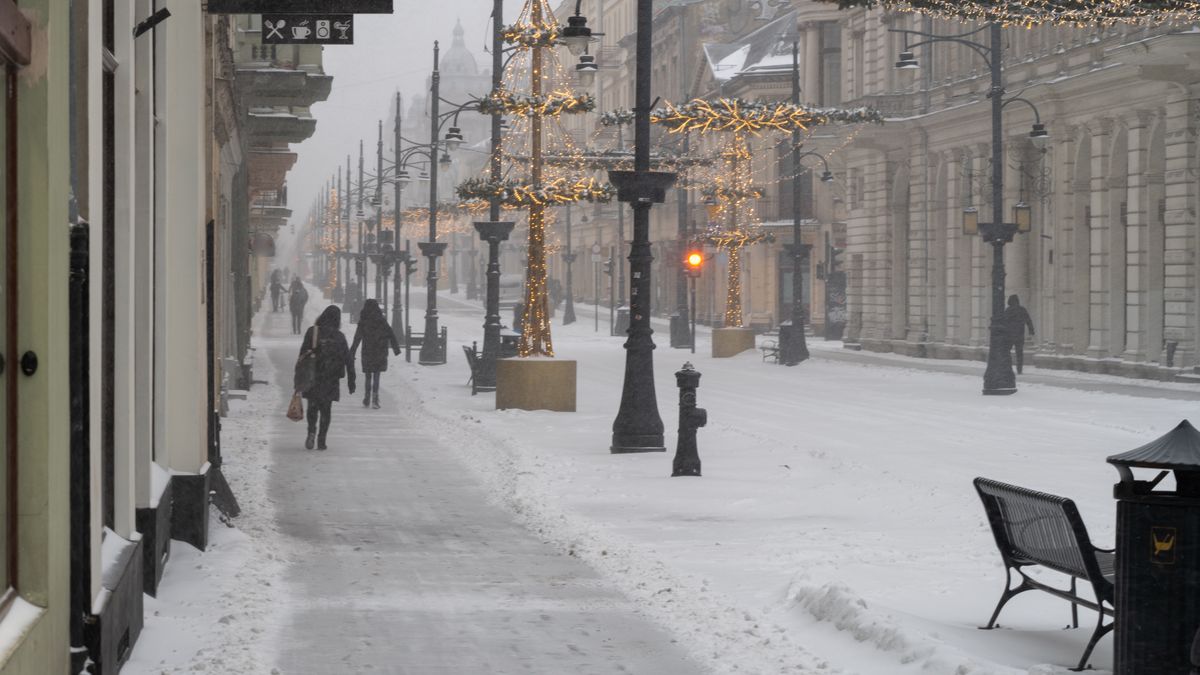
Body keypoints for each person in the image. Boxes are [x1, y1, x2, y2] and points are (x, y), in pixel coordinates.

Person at [299, 305, 356, 450]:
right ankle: (322, 439)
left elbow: (302, 354)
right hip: (331, 379)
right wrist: (351, 380)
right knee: (326, 409)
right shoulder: (339, 337)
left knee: (312, 407)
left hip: (313, 376)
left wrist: (299, 377)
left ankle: (311, 431)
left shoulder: (312, 332)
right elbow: (348, 359)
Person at [350, 298, 401, 409]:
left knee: (368, 376)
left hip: (368, 351)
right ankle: (375, 398)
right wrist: (396, 349)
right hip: (380, 351)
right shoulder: (381, 320)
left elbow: (357, 337)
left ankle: (367, 397)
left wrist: (352, 351)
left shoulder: (363, 321)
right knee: (377, 375)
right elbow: (390, 334)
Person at [1001, 294, 1036, 374]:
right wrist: (1031, 330)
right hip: (1020, 334)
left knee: (1006, 351)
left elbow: (1004, 322)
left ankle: (1008, 366)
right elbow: (1028, 320)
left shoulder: (1008, 310)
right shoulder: (1022, 310)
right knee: (1019, 353)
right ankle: (1019, 369)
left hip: (1009, 335)